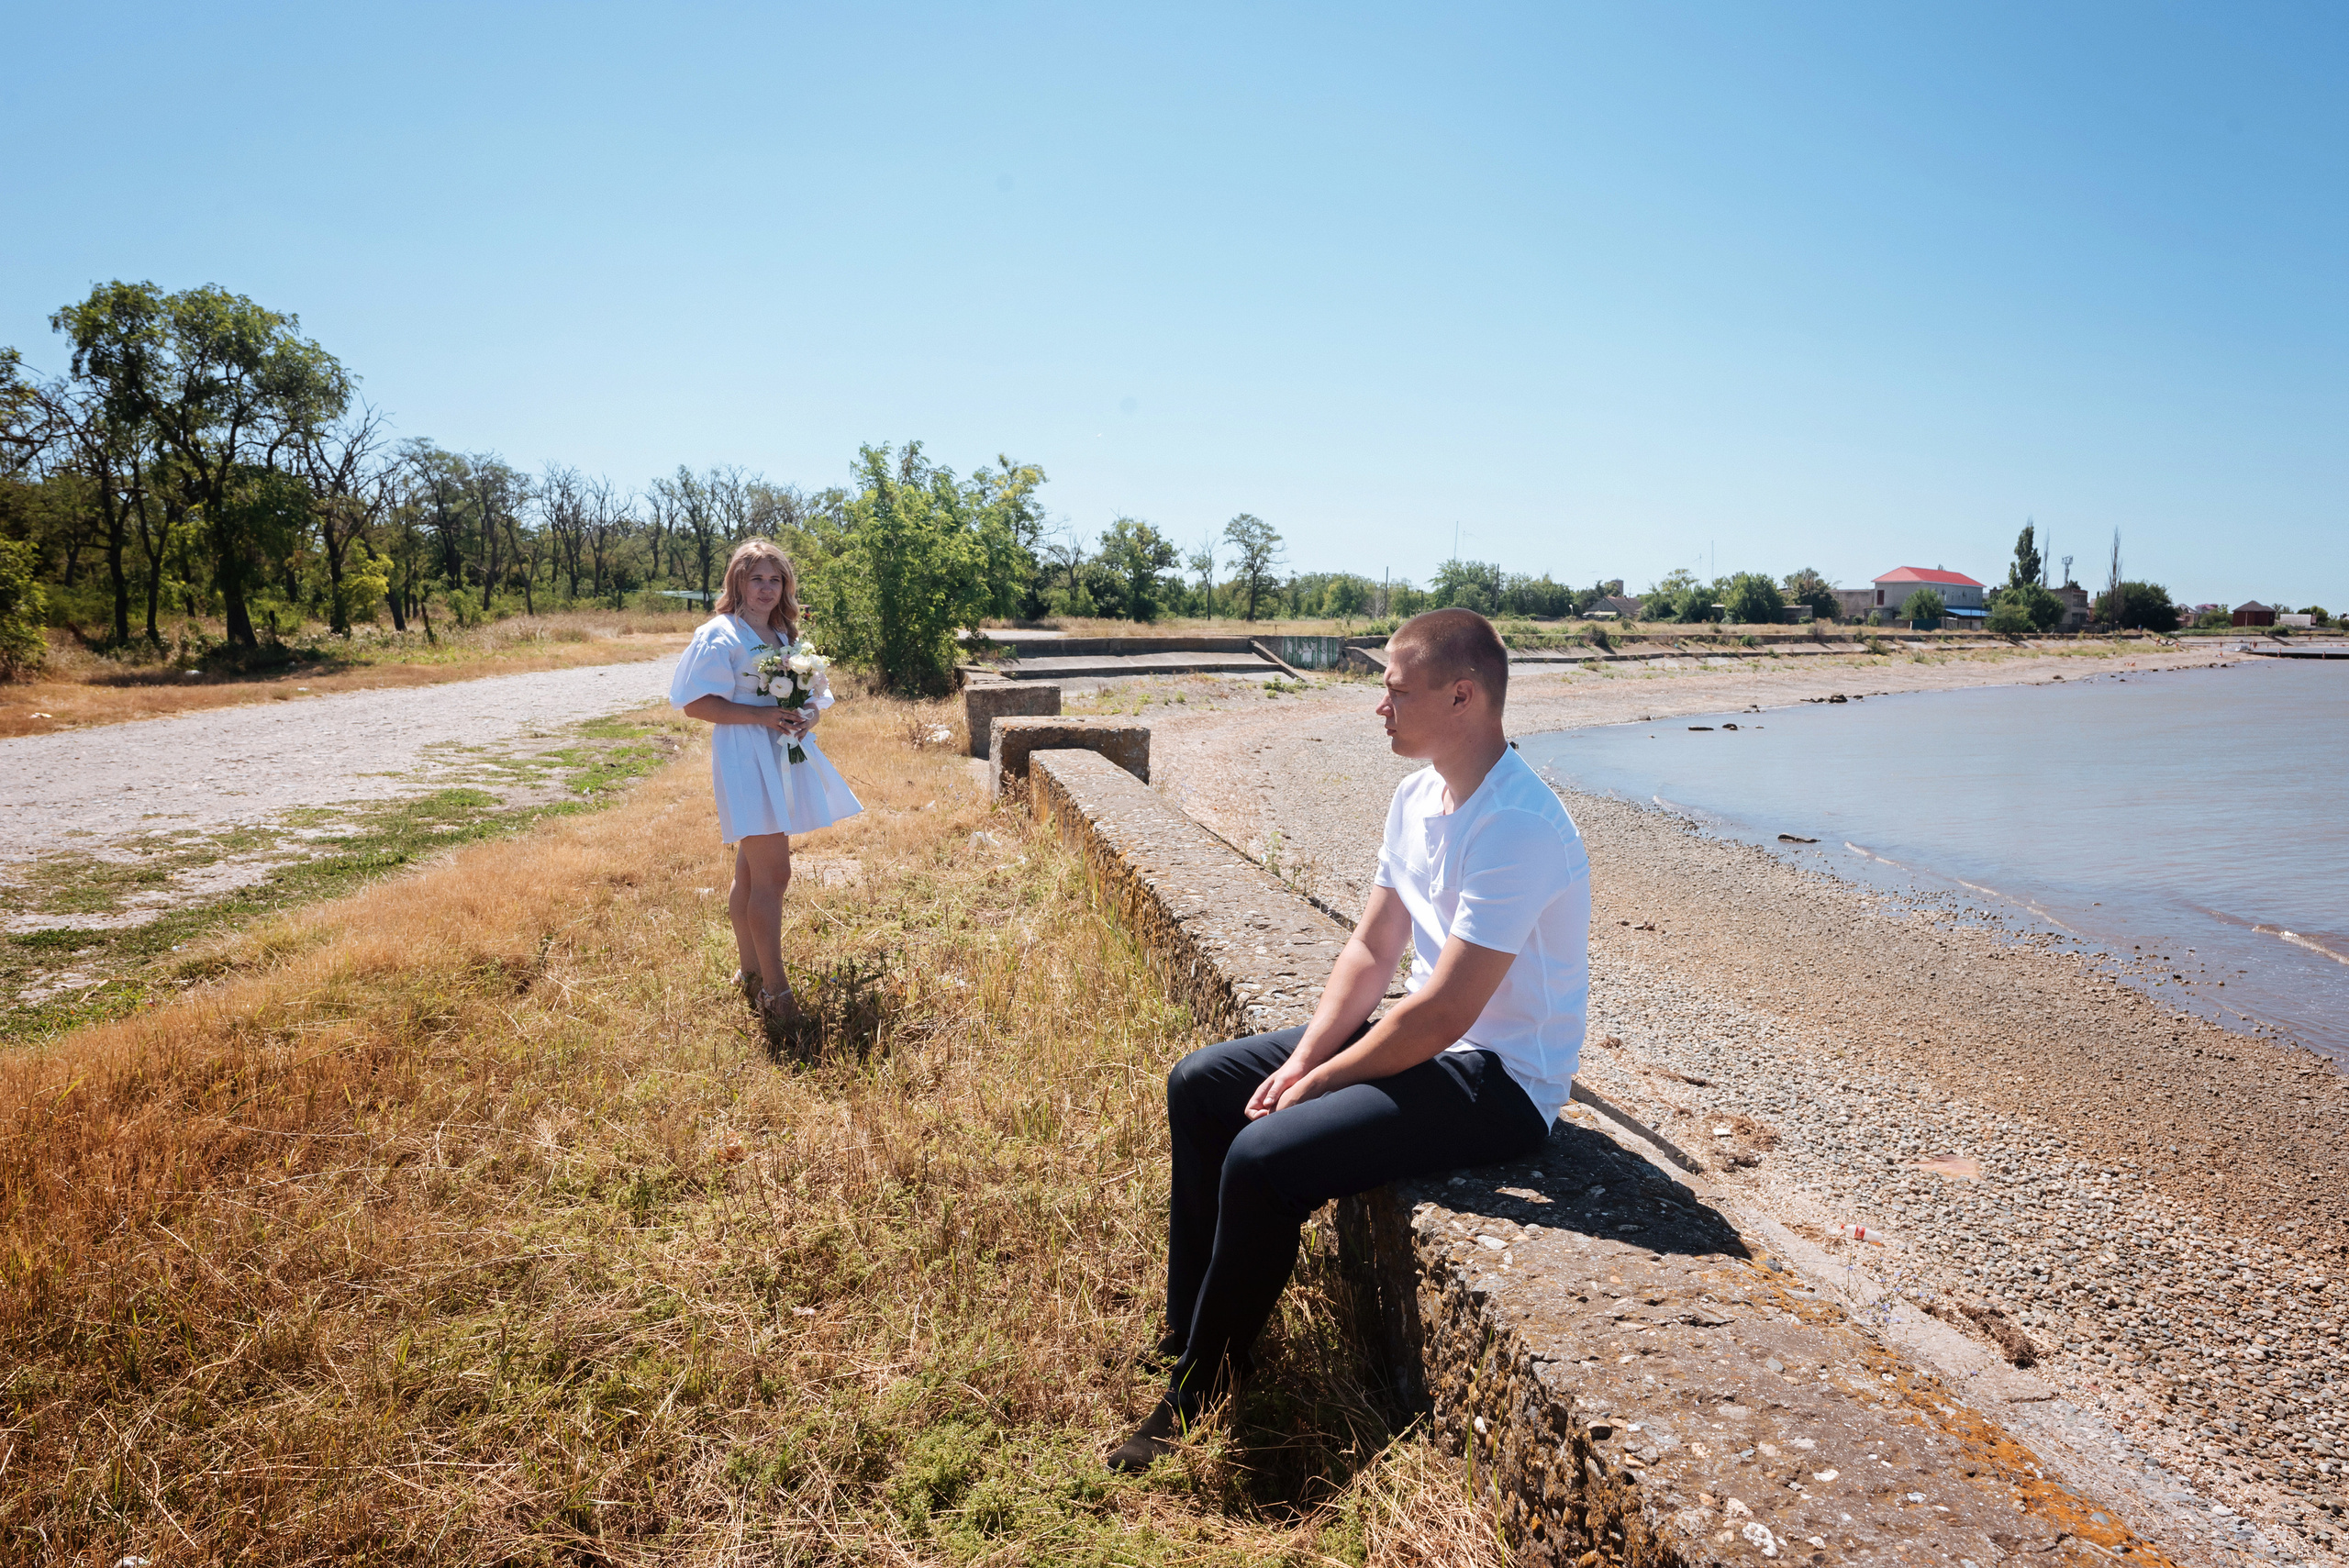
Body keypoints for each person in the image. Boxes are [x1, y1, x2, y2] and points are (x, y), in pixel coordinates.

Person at [1108, 607, 1590, 1471]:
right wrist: (1305, 1057)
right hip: (1436, 1045)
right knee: (1201, 1084)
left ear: (1463, 696)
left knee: (1265, 1159)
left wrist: (1323, 1083)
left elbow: (1444, 1013)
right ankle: (1190, 1333)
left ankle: (1199, 1394)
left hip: (1502, 1081)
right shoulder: (1417, 797)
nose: (1380, 706)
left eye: (1395, 690)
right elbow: (1373, 950)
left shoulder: (1519, 822)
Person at [670, 539, 863, 1053]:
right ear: (737, 581)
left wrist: (807, 716)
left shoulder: (783, 633)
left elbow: (816, 695)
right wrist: (761, 716)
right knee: (775, 876)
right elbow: (695, 704)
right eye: (756, 578)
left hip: (780, 752)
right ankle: (776, 993)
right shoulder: (720, 634)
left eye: (775, 580)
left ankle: (751, 973)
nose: (766, 588)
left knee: (753, 873)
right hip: (744, 757)